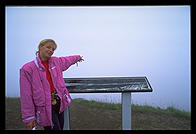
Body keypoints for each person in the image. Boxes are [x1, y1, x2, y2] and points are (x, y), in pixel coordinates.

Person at [19, 39, 84, 130]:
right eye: (48, 47)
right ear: (40, 47)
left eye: (53, 49)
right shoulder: (27, 69)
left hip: (59, 102)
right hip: (45, 107)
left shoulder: (56, 62)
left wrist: (78, 57)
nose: (51, 50)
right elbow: (26, 95)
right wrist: (29, 118)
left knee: (60, 127)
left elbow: (68, 60)